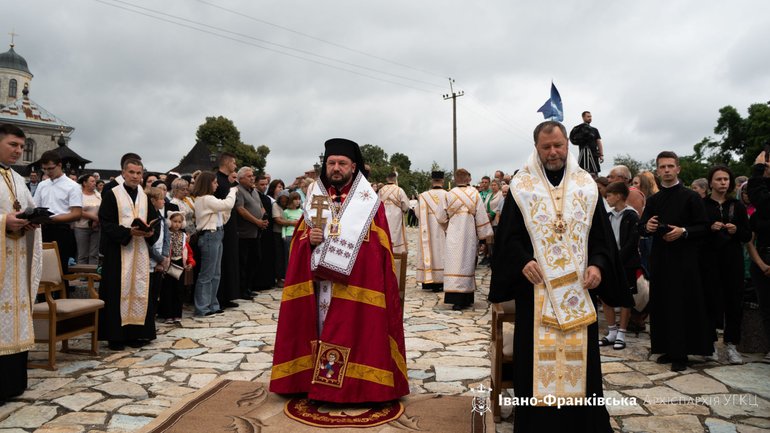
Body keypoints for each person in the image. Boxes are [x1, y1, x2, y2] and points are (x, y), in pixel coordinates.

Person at [489, 120, 630, 432]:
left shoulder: (587, 187)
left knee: (583, 365)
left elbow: (601, 239)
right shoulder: (521, 187)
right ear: (536, 149)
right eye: (546, 147)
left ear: (568, 145)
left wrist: (597, 265)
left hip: (580, 289)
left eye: (558, 145)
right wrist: (523, 260)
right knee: (535, 363)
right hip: (536, 291)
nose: (553, 152)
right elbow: (509, 238)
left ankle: (584, 424)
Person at [270, 138, 408, 403]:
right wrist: (307, 241)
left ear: (353, 167)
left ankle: (352, 388)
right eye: (331, 162)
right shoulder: (315, 199)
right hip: (320, 285)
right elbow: (299, 242)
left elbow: (379, 249)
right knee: (317, 329)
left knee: (352, 332)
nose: (336, 168)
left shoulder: (370, 204)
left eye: (342, 163)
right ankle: (311, 382)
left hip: (354, 286)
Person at [639, 151, 714, 371]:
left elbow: (704, 227)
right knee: (663, 303)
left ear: (678, 169)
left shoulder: (691, 197)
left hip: (685, 260)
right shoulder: (653, 200)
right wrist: (648, 227)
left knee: (683, 303)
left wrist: (683, 231)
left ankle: (682, 353)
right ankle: (668, 348)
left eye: (671, 166)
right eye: (662, 167)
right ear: (657, 170)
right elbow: (642, 226)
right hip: (661, 259)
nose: (667, 170)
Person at [98, 158, 160, 350]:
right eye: (131, 172)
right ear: (123, 173)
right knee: (118, 290)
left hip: (139, 251)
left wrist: (150, 232)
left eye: (139, 173)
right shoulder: (112, 194)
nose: (135, 176)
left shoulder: (144, 197)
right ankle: (116, 336)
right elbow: (105, 223)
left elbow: (153, 220)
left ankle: (136, 333)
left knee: (139, 288)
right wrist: (127, 232)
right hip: (119, 252)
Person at [0, 124, 42, 403]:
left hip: (16, 261)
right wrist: (5, 221)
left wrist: (31, 222)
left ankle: (13, 383)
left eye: (20, 146)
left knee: (15, 319)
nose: (19, 150)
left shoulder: (17, 178)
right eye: (13, 144)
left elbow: (27, 208)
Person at [702, 165, 750, 364]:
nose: (723, 182)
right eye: (719, 179)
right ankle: (709, 344)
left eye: (726, 179)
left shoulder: (737, 206)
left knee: (733, 301)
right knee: (710, 300)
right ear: (711, 182)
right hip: (709, 260)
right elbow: (696, 233)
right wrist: (709, 228)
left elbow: (747, 235)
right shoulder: (702, 204)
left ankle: (731, 344)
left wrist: (735, 230)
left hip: (732, 260)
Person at [442, 168, 493, 311]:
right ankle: (467, 298)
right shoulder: (474, 193)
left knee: (454, 263)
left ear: (455, 179)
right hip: (469, 233)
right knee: (467, 262)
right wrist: (483, 236)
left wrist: (449, 226)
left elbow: (440, 217)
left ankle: (454, 299)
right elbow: (481, 216)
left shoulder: (449, 194)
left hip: (453, 233)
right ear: (468, 179)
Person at [598, 182, 639, 351]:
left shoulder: (632, 215)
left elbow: (631, 242)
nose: (606, 198)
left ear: (620, 196)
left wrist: (618, 259)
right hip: (610, 262)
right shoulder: (607, 216)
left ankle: (622, 331)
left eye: (609, 195)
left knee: (625, 298)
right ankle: (612, 331)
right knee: (606, 297)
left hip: (626, 263)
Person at [192, 171, 237, 317]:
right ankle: (202, 307)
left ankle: (212, 304)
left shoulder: (209, 199)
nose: (217, 185)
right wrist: (232, 191)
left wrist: (227, 207)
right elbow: (228, 203)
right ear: (208, 183)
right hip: (209, 235)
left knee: (216, 274)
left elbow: (223, 216)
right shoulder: (205, 199)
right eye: (215, 182)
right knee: (207, 274)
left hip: (217, 234)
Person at [34, 150, 82, 278]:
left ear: (60, 165)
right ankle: (44, 298)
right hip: (43, 229)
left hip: (62, 231)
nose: (48, 172)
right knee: (42, 271)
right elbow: (35, 207)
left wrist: (53, 218)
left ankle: (62, 297)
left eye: (51, 168)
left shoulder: (73, 186)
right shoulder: (42, 185)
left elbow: (77, 213)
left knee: (61, 272)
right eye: (44, 169)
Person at [745, 150, 770, 363]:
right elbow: (749, 240)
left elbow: (760, 197)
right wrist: (761, 263)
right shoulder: (759, 212)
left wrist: (757, 171)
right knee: (766, 307)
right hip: (763, 259)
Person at [211, 153, 240, 307]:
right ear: (227, 163)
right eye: (233, 163)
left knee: (230, 259)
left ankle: (229, 295)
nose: (235, 166)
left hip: (230, 225)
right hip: (220, 225)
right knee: (222, 261)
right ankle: (220, 296)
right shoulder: (217, 180)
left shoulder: (228, 181)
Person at [234, 167, 267, 299]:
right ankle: (242, 290)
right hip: (244, 234)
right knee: (244, 263)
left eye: (252, 175)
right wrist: (256, 221)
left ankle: (248, 287)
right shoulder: (238, 191)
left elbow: (260, 206)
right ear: (240, 178)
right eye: (249, 176)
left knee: (255, 260)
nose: (252, 178)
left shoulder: (254, 191)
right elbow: (241, 210)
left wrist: (264, 219)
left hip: (256, 233)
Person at [158, 211, 195, 324]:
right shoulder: (166, 234)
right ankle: (168, 314)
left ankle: (177, 314)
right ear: (169, 222)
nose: (177, 224)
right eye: (174, 221)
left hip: (180, 264)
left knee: (179, 291)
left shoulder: (184, 236)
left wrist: (191, 263)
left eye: (179, 222)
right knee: (168, 290)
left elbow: (188, 252)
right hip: (168, 265)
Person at [416, 171, 448, 292]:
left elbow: (418, 213)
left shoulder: (423, 195)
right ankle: (441, 280)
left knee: (428, 251)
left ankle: (427, 281)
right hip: (442, 228)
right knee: (441, 252)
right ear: (443, 181)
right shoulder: (446, 194)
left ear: (431, 180)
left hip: (427, 228)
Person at [146, 186, 170, 326]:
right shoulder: (148, 218)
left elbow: (166, 236)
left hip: (161, 259)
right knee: (149, 295)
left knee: (156, 294)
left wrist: (165, 256)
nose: (164, 201)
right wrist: (160, 259)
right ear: (153, 201)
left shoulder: (160, 217)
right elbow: (146, 244)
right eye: (161, 199)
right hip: (151, 260)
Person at [378, 172, 409, 254]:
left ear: (386, 179)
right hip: (396, 217)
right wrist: (403, 210)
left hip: (383, 216)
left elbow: (377, 204)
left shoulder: (381, 190)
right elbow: (405, 205)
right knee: (396, 234)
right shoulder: (399, 190)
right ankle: (397, 252)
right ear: (395, 179)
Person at [73, 174, 101, 265]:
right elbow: (78, 211)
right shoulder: (79, 195)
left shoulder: (98, 195)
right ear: (84, 183)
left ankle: (93, 275)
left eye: (95, 181)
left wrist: (97, 220)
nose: (94, 183)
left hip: (96, 228)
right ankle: (82, 276)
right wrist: (94, 217)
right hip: (81, 227)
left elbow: (102, 209)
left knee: (94, 254)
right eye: (92, 181)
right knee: (82, 254)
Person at [255, 175, 276, 291]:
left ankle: (267, 281)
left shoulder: (266, 198)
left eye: (265, 184)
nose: (264, 187)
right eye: (262, 184)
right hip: (260, 229)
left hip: (269, 230)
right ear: (256, 184)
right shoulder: (255, 196)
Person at [282, 191, 303, 270]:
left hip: (299, 235)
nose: (298, 201)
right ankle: (288, 274)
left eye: (299, 199)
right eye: (296, 199)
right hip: (289, 235)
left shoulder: (301, 211)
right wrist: (283, 235)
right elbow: (284, 225)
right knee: (289, 255)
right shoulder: (286, 212)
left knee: (298, 255)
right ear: (291, 200)